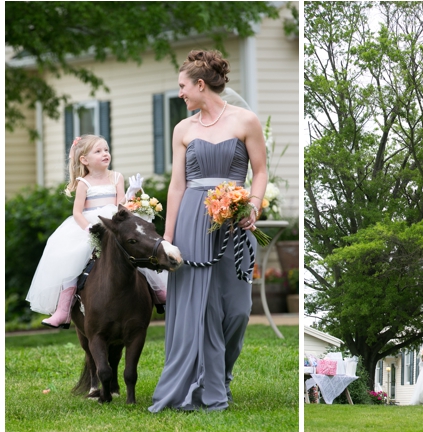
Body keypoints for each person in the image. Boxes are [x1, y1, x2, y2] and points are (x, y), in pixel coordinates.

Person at [149, 50, 267, 412]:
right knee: (202, 310)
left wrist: (254, 205)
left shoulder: (246, 121)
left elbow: (260, 172)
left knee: (236, 310)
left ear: (200, 85)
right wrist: (168, 238)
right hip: (192, 224)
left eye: (183, 86)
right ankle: (211, 388)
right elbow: (177, 185)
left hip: (234, 223)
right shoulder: (182, 129)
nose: (180, 93)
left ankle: (221, 376)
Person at [25, 135, 167, 328]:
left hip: (113, 222)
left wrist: (131, 193)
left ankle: (159, 294)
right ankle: (63, 310)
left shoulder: (116, 177)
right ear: (84, 159)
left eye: (106, 150)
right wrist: (88, 228)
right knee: (71, 262)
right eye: (98, 151)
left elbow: (121, 207)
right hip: (90, 225)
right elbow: (77, 212)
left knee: (135, 250)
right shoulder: (84, 182)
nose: (105, 154)